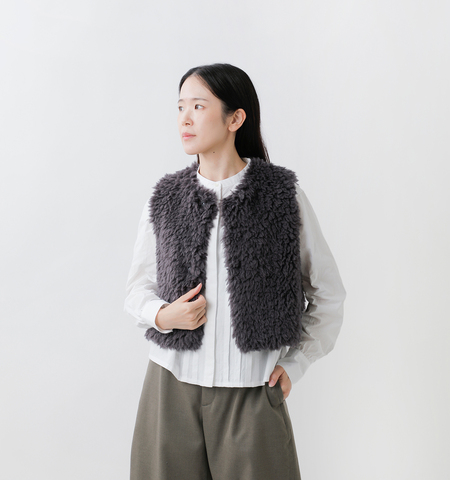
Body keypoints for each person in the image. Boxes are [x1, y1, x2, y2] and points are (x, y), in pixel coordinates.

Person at [124, 63, 346, 480]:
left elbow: (328, 294)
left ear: (235, 118)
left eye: (198, 106)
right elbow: (137, 288)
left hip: (253, 394)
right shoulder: (167, 198)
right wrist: (163, 315)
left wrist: (296, 364)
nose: (184, 119)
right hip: (169, 390)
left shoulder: (282, 197)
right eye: (180, 107)